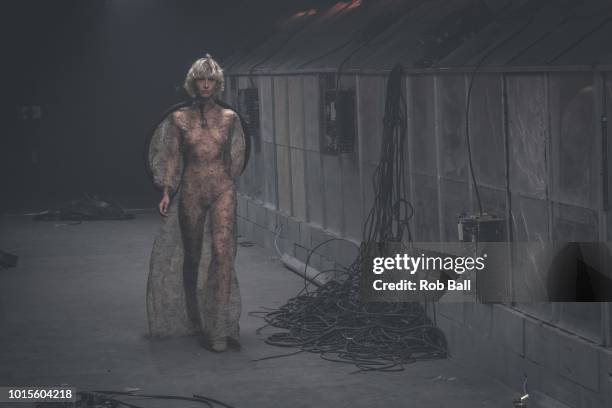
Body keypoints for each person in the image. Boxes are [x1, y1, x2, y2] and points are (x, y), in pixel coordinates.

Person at [146, 55, 246, 352]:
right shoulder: (179, 119)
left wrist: (230, 183)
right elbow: (172, 157)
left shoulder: (230, 118)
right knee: (193, 257)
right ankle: (196, 318)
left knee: (222, 253)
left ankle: (221, 327)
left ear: (218, 83)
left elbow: (237, 156)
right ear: (193, 82)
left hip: (222, 189)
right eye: (201, 79)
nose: (206, 84)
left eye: (211, 79)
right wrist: (166, 190)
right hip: (191, 189)